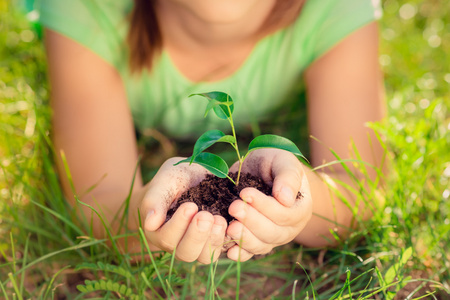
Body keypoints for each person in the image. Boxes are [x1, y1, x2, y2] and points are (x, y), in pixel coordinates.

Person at [38, 0, 386, 264]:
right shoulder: (85, 9)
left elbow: (362, 189)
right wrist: (150, 220)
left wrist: (300, 202)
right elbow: (97, 205)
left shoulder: (335, 9)